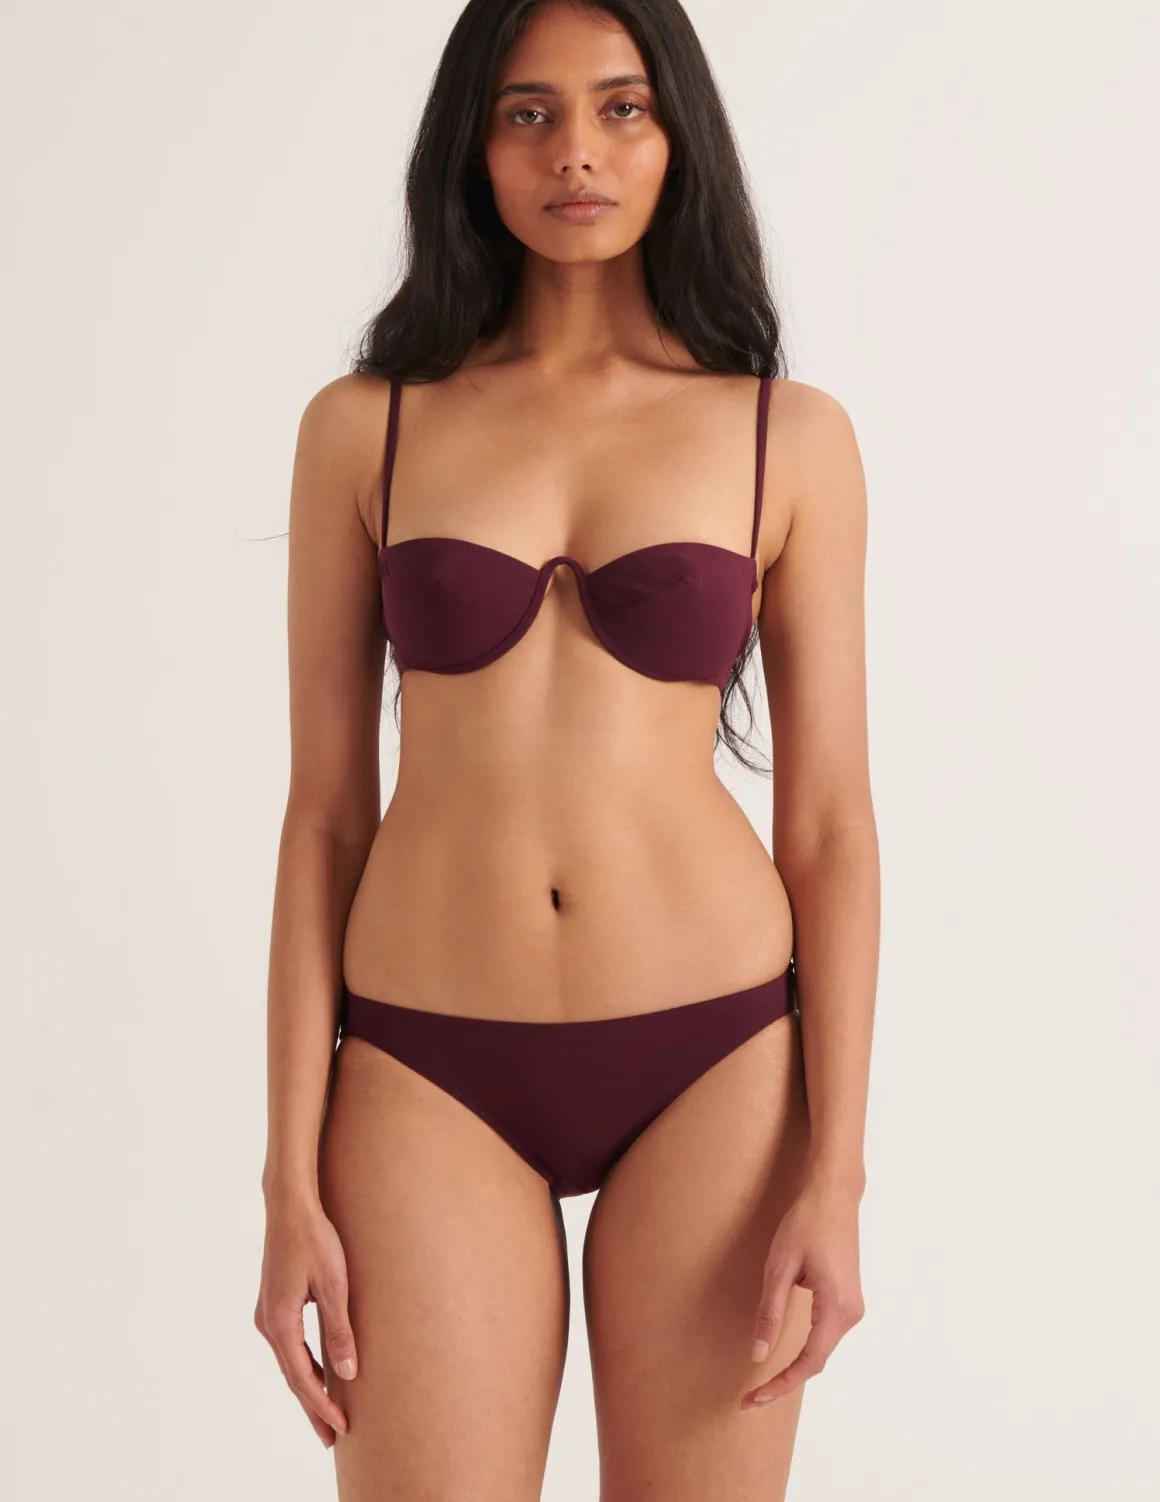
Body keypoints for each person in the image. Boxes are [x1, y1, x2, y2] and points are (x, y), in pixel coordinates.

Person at [253, 1, 880, 1497]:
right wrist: (285, 1175)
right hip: (424, 1060)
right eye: (527, 112)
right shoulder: (364, 428)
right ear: (472, 146)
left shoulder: (785, 435)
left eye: (621, 107)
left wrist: (837, 1170)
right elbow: (324, 815)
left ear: (679, 138)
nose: (575, 152)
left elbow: (831, 826)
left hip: (716, 1052)